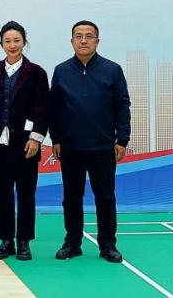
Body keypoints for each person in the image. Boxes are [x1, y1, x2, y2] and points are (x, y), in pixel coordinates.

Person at [50, 20, 130, 264]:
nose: (83, 40)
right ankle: (73, 243)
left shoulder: (112, 70)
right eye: (79, 36)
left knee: (105, 197)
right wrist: (56, 139)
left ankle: (108, 244)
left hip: (103, 147)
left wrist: (122, 139)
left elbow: (122, 106)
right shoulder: (61, 71)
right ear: (71, 41)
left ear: (97, 40)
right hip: (71, 147)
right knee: (71, 198)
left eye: (89, 36)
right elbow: (54, 109)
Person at [0, 21, 49, 261]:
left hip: (26, 144)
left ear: (24, 42)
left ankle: (24, 241)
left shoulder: (37, 72)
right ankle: (6, 240)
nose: (12, 45)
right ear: (1, 43)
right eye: (7, 41)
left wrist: (36, 138)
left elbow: (43, 108)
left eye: (17, 40)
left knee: (26, 193)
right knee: (0, 193)